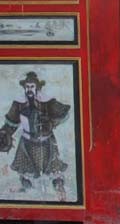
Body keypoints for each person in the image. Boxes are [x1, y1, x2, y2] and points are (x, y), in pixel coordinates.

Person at [0, 71, 70, 201]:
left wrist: (51, 123)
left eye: (32, 86)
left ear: (37, 87)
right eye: (27, 87)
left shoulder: (47, 101)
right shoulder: (18, 103)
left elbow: (64, 114)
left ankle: (60, 191)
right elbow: (11, 123)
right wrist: (4, 134)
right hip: (26, 142)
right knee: (25, 172)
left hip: (46, 142)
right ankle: (28, 192)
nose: (29, 89)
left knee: (54, 169)